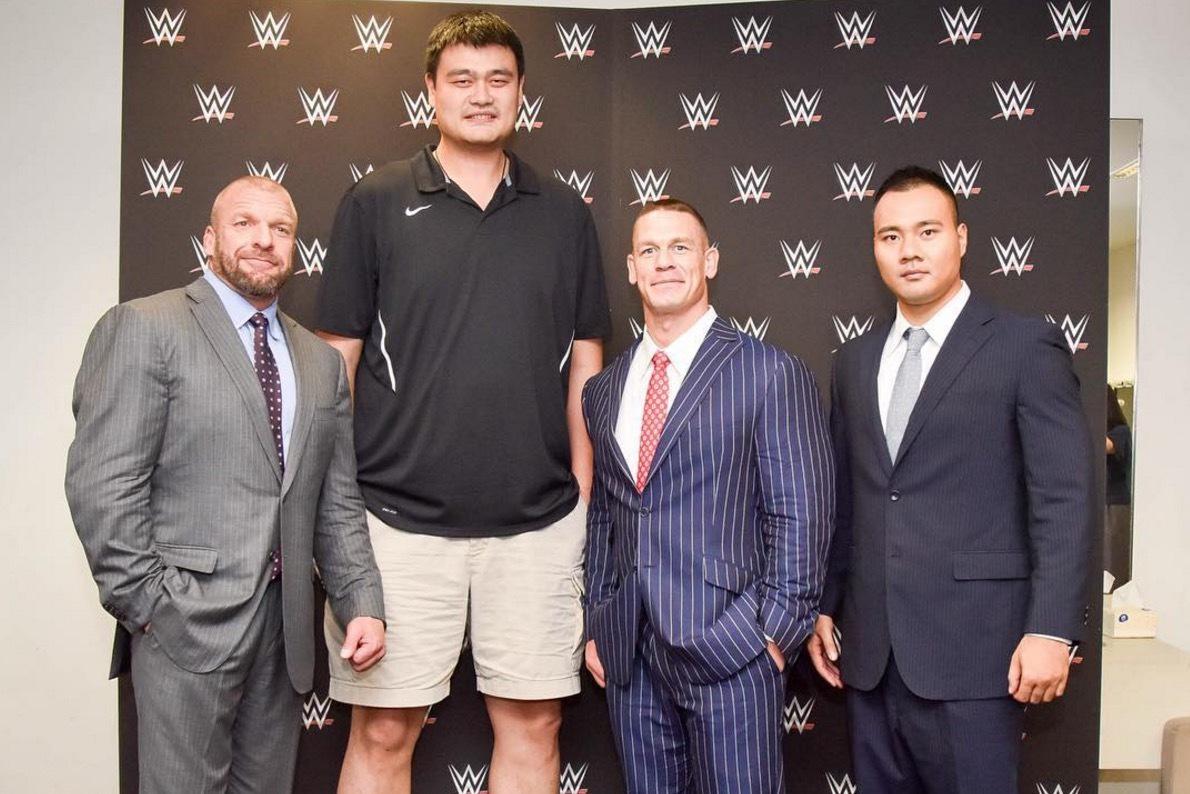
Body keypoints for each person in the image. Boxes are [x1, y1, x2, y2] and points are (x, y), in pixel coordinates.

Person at [314, 10, 610, 794]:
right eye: (462, 80)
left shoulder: (564, 212)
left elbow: (587, 360)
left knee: (536, 722)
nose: (482, 95)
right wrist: (338, 505)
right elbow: (335, 364)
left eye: (499, 80)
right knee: (382, 727)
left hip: (539, 525)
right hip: (395, 523)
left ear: (521, 93)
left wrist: (580, 488)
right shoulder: (374, 202)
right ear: (430, 92)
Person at [65, 175, 387, 793]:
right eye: (244, 224)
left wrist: (361, 603)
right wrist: (151, 606)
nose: (263, 240)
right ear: (210, 238)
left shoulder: (319, 364)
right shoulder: (144, 327)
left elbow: (336, 501)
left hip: (284, 631)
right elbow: (103, 485)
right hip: (182, 624)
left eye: (281, 229)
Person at [808, 166, 1094, 793]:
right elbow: (851, 498)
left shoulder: (1026, 346)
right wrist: (827, 604)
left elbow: (1064, 499)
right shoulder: (853, 360)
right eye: (890, 236)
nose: (909, 250)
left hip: (980, 655)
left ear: (961, 238)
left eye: (927, 231)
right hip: (871, 655)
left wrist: (1051, 629)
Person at [582, 199, 834, 793]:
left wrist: (771, 634)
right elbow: (603, 516)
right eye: (649, 250)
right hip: (632, 655)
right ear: (630, 268)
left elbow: (802, 514)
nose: (663, 262)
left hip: (736, 649)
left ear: (710, 260)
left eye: (680, 248)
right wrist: (599, 619)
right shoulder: (603, 389)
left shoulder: (768, 372)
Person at [1105, 384, 1133, 582]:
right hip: (1103, 502)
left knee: (1112, 562)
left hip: (1115, 504)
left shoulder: (1121, 431)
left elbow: (1107, 446)